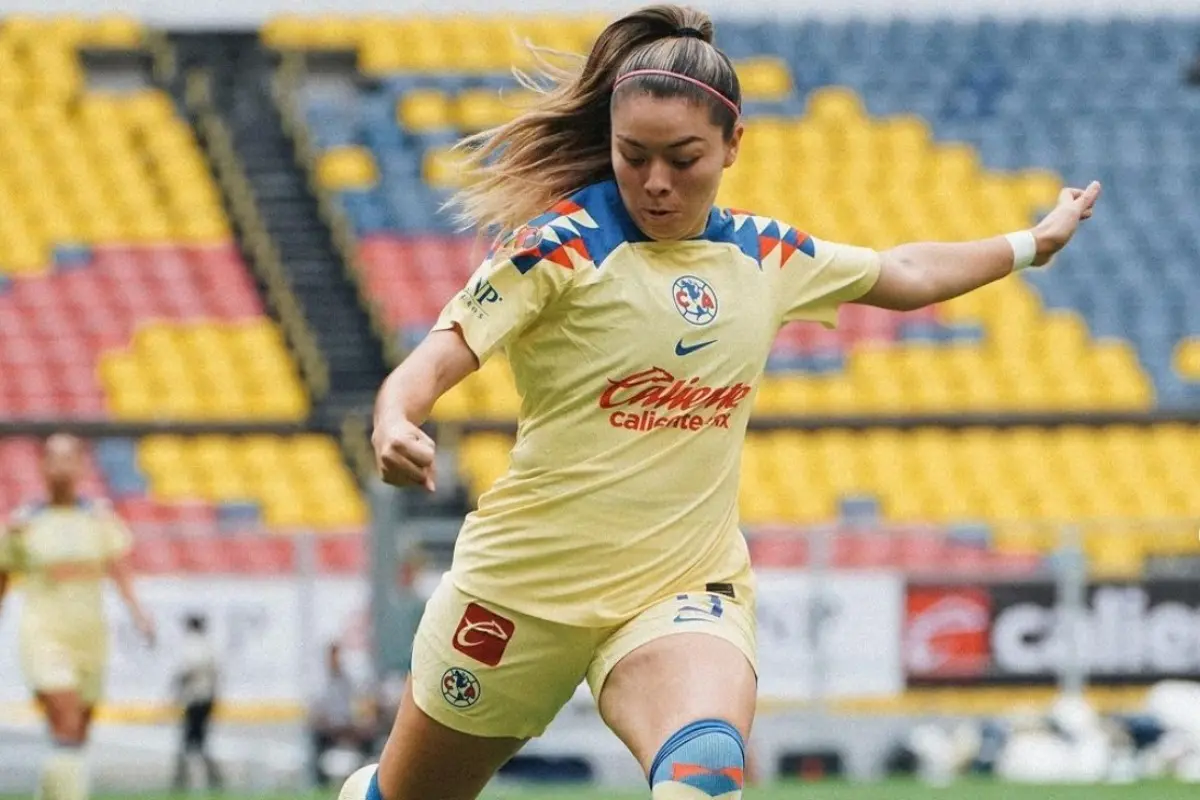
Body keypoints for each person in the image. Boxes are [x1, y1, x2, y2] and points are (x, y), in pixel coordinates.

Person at [353, 5, 1102, 799]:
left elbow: (905, 272)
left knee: (704, 770)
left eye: (683, 157)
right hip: (519, 591)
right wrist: (395, 418)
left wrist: (1030, 245)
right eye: (632, 156)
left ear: (733, 144)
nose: (656, 181)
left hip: (678, 590)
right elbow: (437, 357)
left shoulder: (766, 254)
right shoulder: (556, 247)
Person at [0, 433, 155, 800]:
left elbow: (118, 567)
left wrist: (138, 613)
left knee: (75, 734)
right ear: (42, 466)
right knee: (66, 720)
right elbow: (4, 571)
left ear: (83, 465)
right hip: (44, 635)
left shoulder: (99, 519)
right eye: (53, 458)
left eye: (70, 458)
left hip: (89, 637)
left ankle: (49, 793)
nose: (62, 466)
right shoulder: (24, 524)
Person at [310, 642, 378, 787]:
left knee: (370, 739)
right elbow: (317, 714)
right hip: (330, 729)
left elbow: (357, 706)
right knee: (316, 739)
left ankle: (368, 776)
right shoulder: (320, 682)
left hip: (348, 726)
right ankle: (320, 782)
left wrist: (357, 725)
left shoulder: (348, 680)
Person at [171, 612, 222, 791]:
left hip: (196, 699)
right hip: (206, 698)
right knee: (198, 741)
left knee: (193, 741)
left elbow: (189, 670)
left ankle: (189, 781)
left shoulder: (194, 644)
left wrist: (176, 686)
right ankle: (210, 779)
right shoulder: (209, 645)